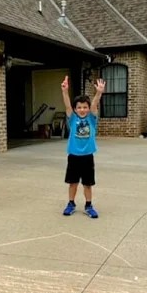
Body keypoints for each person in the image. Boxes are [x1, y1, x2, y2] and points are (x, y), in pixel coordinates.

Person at [61, 73, 105, 218]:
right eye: (79, 107)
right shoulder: (72, 119)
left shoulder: (92, 119)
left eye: (84, 107)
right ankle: (71, 203)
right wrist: (65, 91)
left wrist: (98, 93)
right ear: (75, 109)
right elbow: (67, 105)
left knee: (87, 183)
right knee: (73, 182)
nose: (82, 109)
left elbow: (94, 105)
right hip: (74, 156)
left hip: (87, 157)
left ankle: (88, 205)